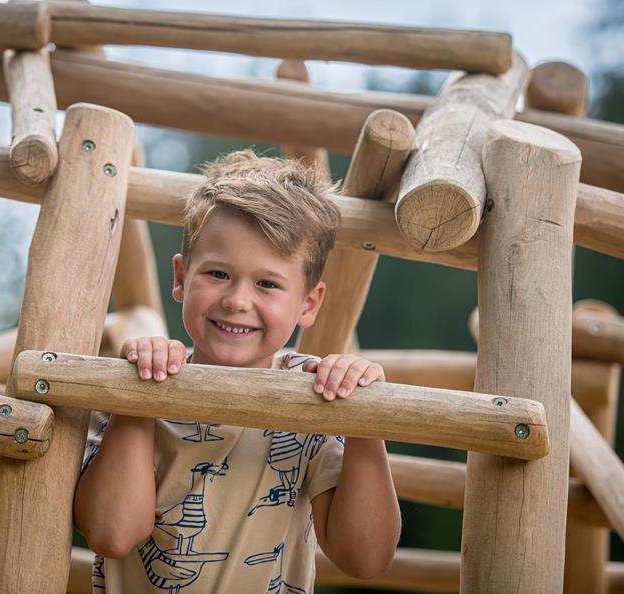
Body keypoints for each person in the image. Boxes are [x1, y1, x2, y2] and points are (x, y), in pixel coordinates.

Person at [74, 150, 401, 593]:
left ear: (309, 303)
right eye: (218, 274)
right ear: (181, 277)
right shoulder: (134, 383)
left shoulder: (316, 394)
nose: (237, 301)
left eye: (267, 283)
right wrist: (139, 401)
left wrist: (367, 420)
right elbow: (113, 533)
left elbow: (364, 558)